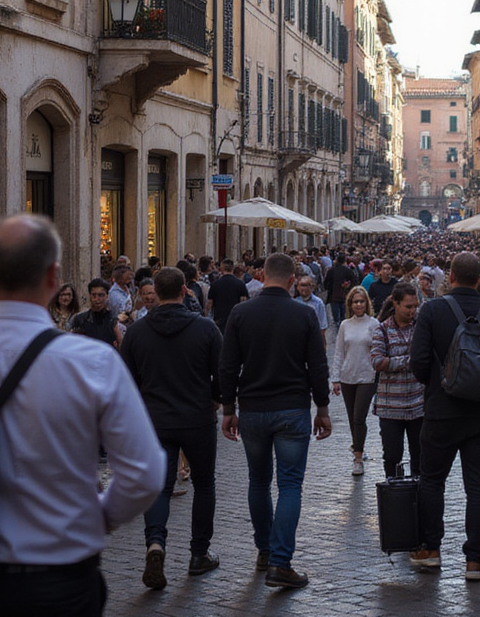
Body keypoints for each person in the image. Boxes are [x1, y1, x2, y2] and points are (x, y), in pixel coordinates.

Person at [0, 213, 164, 617]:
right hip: (60, 577)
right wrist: (98, 517)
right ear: (54, 276)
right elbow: (144, 472)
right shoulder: (91, 362)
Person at [409, 251, 480, 581]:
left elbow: (417, 361)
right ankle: (475, 560)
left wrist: (439, 385)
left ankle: (431, 549)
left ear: (450, 276)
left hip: (441, 413)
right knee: (478, 488)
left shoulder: (432, 310)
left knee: (432, 481)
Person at [219, 253, 331, 590]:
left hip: (252, 409)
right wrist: (323, 408)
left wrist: (228, 408)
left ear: (262, 276)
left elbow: (227, 366)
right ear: (293, 281)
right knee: (290, 485)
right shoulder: (304, 314)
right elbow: (318, 365)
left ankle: (265, 551)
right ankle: (281, 562)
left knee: (258, 481)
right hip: (292, 410)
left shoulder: (240, 313)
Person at [121, 266, 223, 590]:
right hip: (197, 419)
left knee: (159, 487)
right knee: (204, 484)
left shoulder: (136, 332)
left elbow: (125, 381)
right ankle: (198, 554)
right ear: (184, 290)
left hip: (155, 422)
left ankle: (155, 542)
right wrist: (218, 399)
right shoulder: (206, 330)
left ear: (155, 293)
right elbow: (220, 374)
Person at [370, 284, 424, 477]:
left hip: (418, 404)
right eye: (408, 307)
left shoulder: (420, 327)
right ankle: (394, 497)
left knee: (420, 454)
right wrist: (410, 360)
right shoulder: (382, 330)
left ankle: (419, 497)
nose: (412, 311)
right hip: (390, 407)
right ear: (396, 303)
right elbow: (377, 361)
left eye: (415, 306)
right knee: (392, 455)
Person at [331, 286, 379, 476]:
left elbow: (377, 350)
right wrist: (335, 378)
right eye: (355, 301)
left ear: (366, 303)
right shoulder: (345, 325)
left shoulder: (374, 324)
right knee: (352, 418)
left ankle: (357, 458)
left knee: (359, 417)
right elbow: (339, 352)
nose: (358, 305)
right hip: (347, 377)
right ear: (350, 304)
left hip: (367, 376)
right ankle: (358, 445)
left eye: (361, 301)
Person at [70, 278, 122, 348]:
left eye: (101, 295)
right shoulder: (80, 319)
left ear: (107, 296)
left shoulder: (113, 319)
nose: (97, 299)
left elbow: (120, 344)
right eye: (94, 295)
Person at [207, 261, 249, 332]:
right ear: (233, 269)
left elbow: (210, 304)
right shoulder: (240, 284)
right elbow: (244, 301)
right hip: (235, 318)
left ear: (222, 269)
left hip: (219, 319)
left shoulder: (215, 284)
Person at [295, 274, 328, 347]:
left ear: (312, 287)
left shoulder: (318, 303)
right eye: (302, 285)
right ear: (298, 287)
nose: (305, 288)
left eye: (307, 285)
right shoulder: (294, 302)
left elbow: (322, 325)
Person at [323, 254, 355, 327]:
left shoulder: (331, 271)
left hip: (333, 297)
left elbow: (326, 283)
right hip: (345, 296)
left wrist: (329, 289)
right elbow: (354, 282)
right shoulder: (348, 271)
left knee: (336, 319)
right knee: (343, 316)